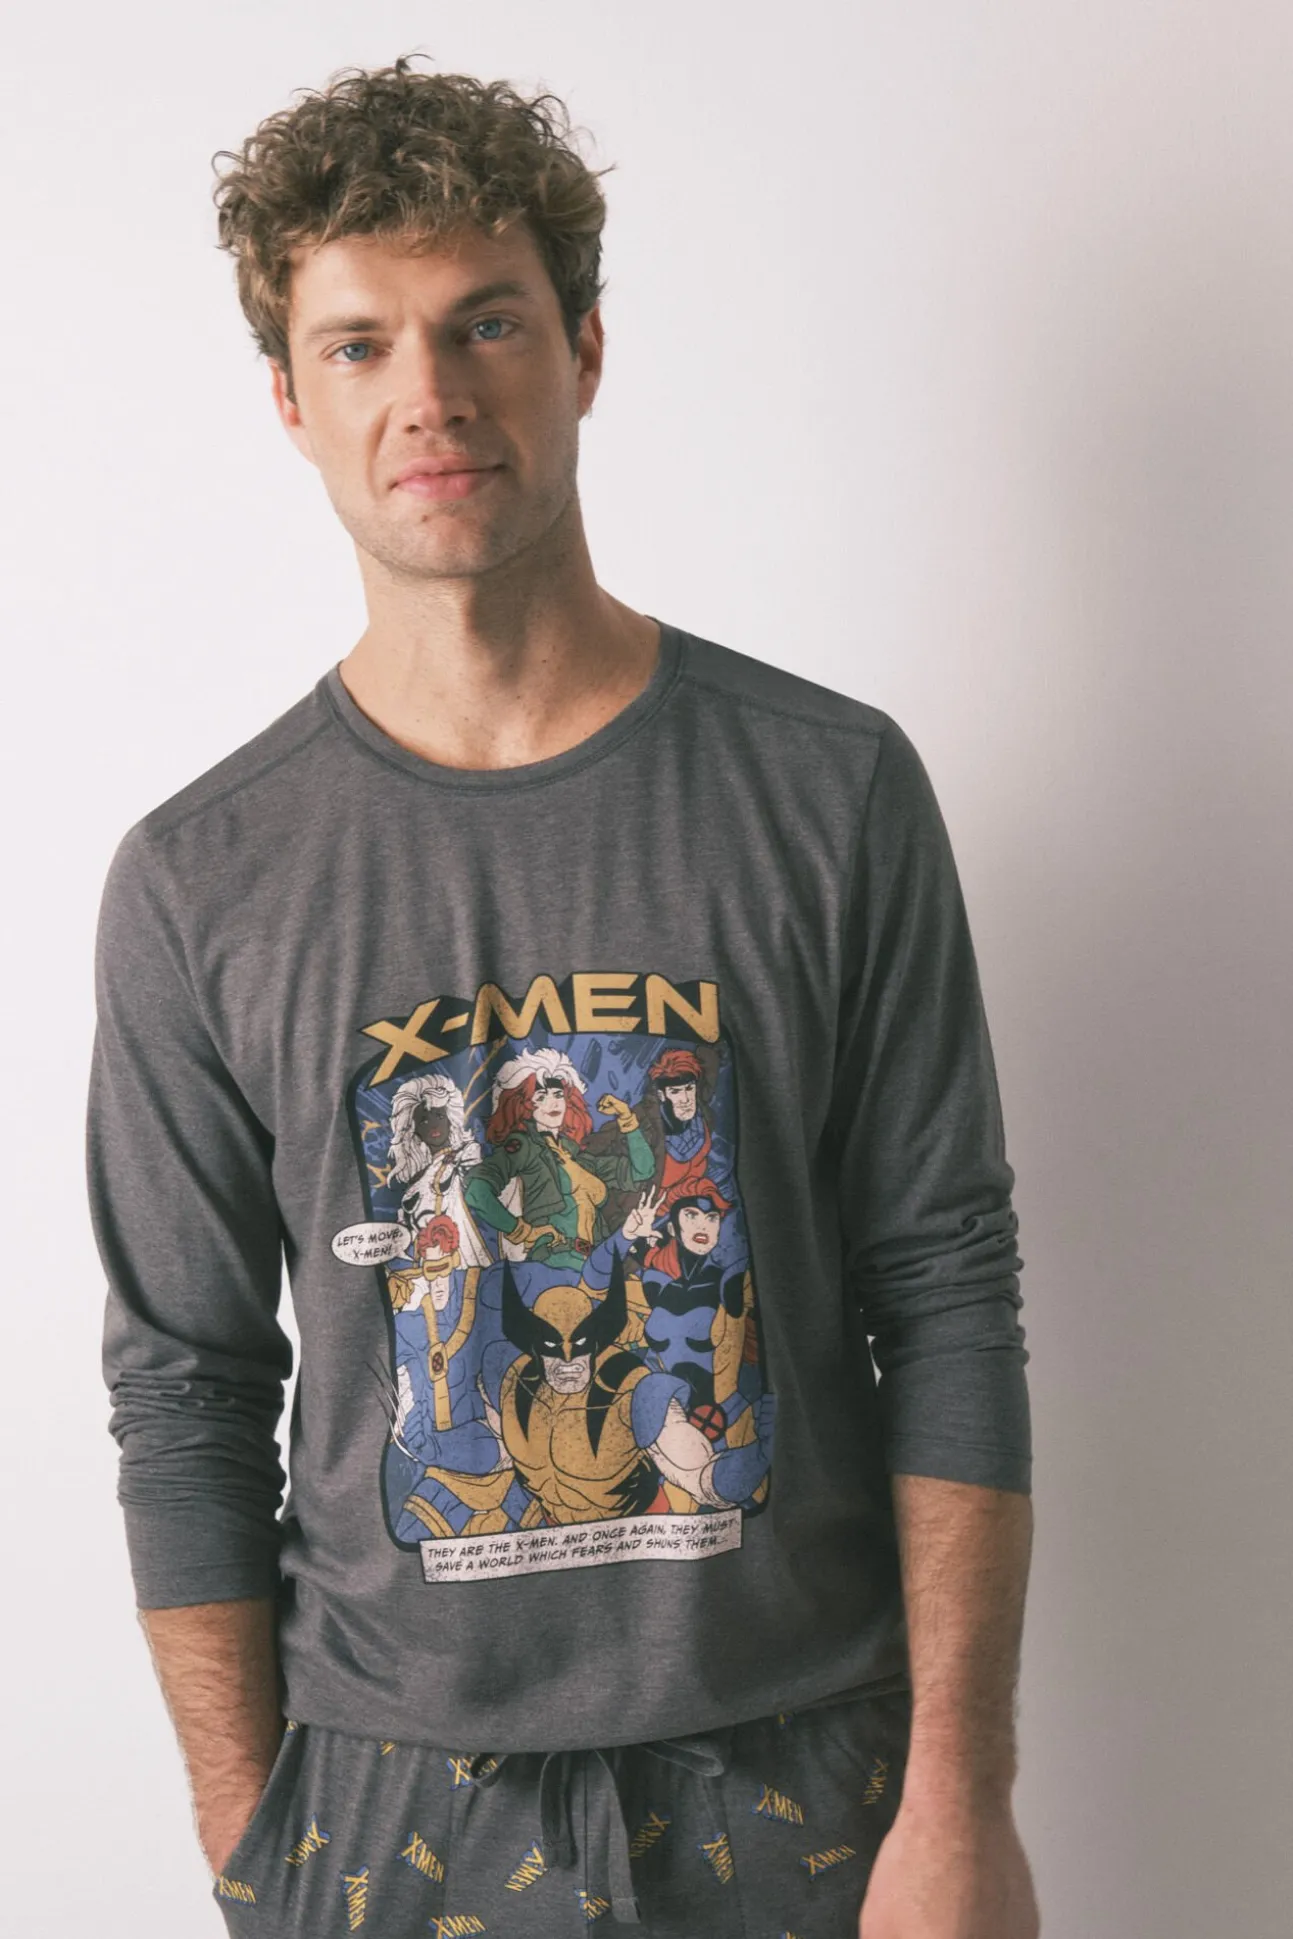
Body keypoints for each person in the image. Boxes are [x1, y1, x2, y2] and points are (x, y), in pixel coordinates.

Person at [86, 55, 1041, 1939]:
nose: (429, 395)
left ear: (585, 349)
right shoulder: (201, 879)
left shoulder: (830, 790)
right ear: (289, 398)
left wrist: (961, 1797)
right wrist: (254, 1848)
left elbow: (945, 1293)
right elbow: (185, 1392)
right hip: (387, 1803)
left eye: (486, 322)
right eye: (359, 344)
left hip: (809, 1775)